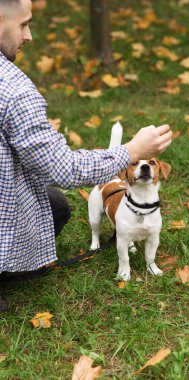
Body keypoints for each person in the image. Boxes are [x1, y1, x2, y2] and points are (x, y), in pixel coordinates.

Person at [0, 0, 173, 312]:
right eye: (23, 24)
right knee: (55, 205)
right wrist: (132, 151)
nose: (29, 36)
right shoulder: (14, 91)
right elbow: (63, 169)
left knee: (53, 203)